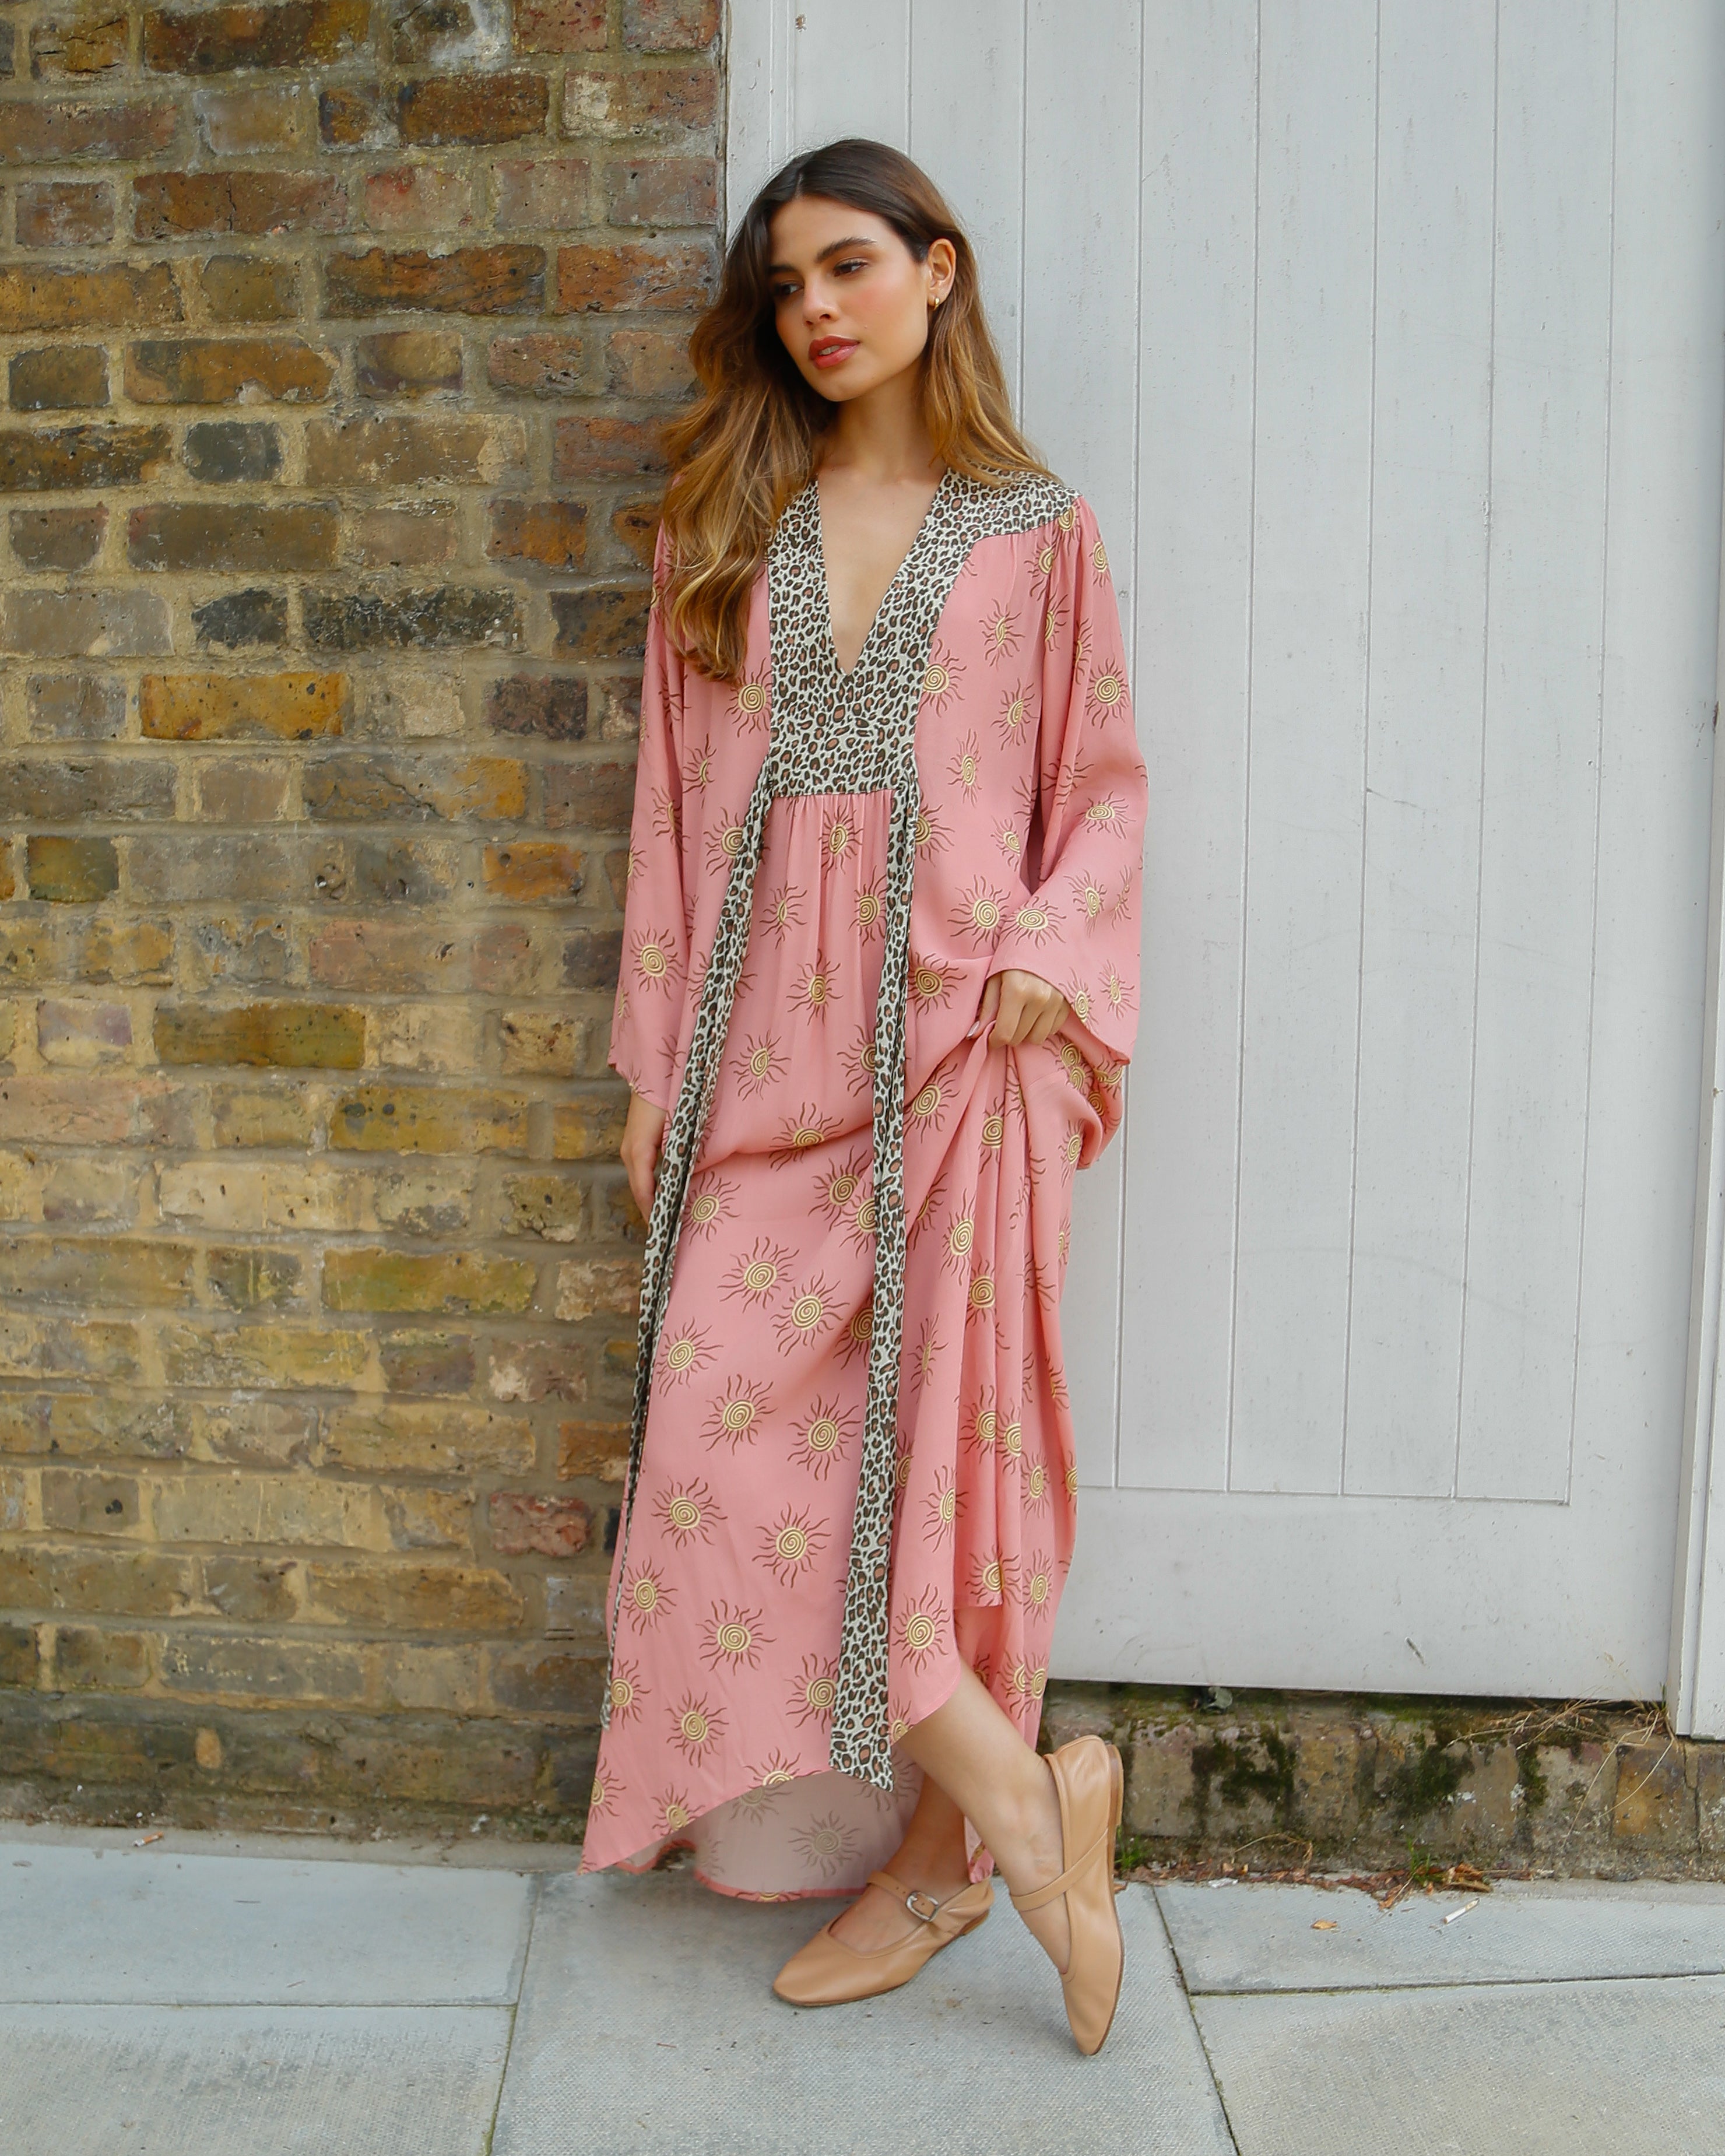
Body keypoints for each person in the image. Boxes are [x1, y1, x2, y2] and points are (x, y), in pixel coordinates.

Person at [577, 136, 1149, 2058]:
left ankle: (936, 1865)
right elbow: (669, 813)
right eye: (785, 288)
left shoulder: (1035, 534)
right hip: (761, 1065)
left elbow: (1105, 792)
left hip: (956, 1060)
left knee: (920, 1484)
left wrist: (1057, 964)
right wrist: (654, 1063)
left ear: (937, 270)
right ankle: (1027, 1807)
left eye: (846, 268)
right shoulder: (723, 526)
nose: (814, 310)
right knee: (723, 1474)